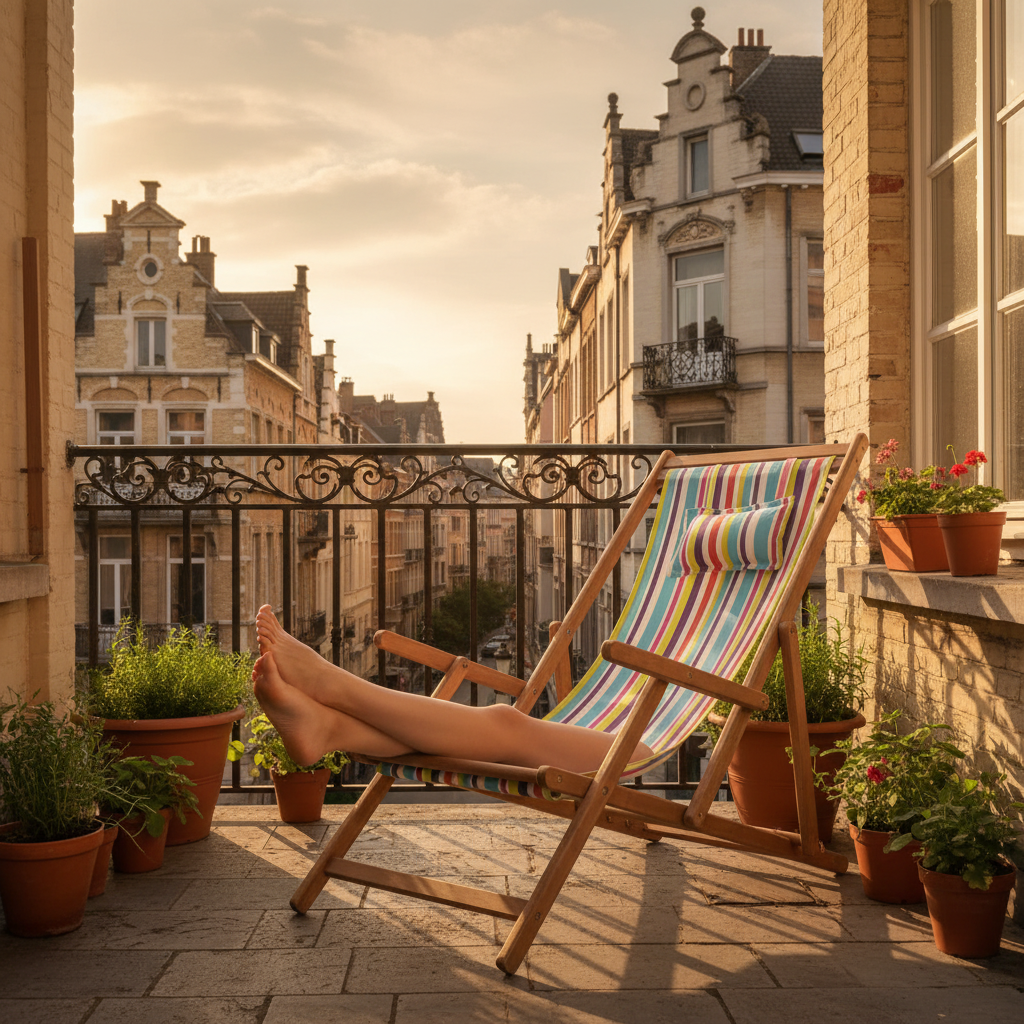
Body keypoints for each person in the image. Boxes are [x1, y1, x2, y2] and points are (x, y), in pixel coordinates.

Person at [253, 605, 653, 775]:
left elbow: (639, 757)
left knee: (507, 725)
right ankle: (330, 726)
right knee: (505, 722)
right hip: (631, 737)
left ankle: (334, 692)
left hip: (638, 748)